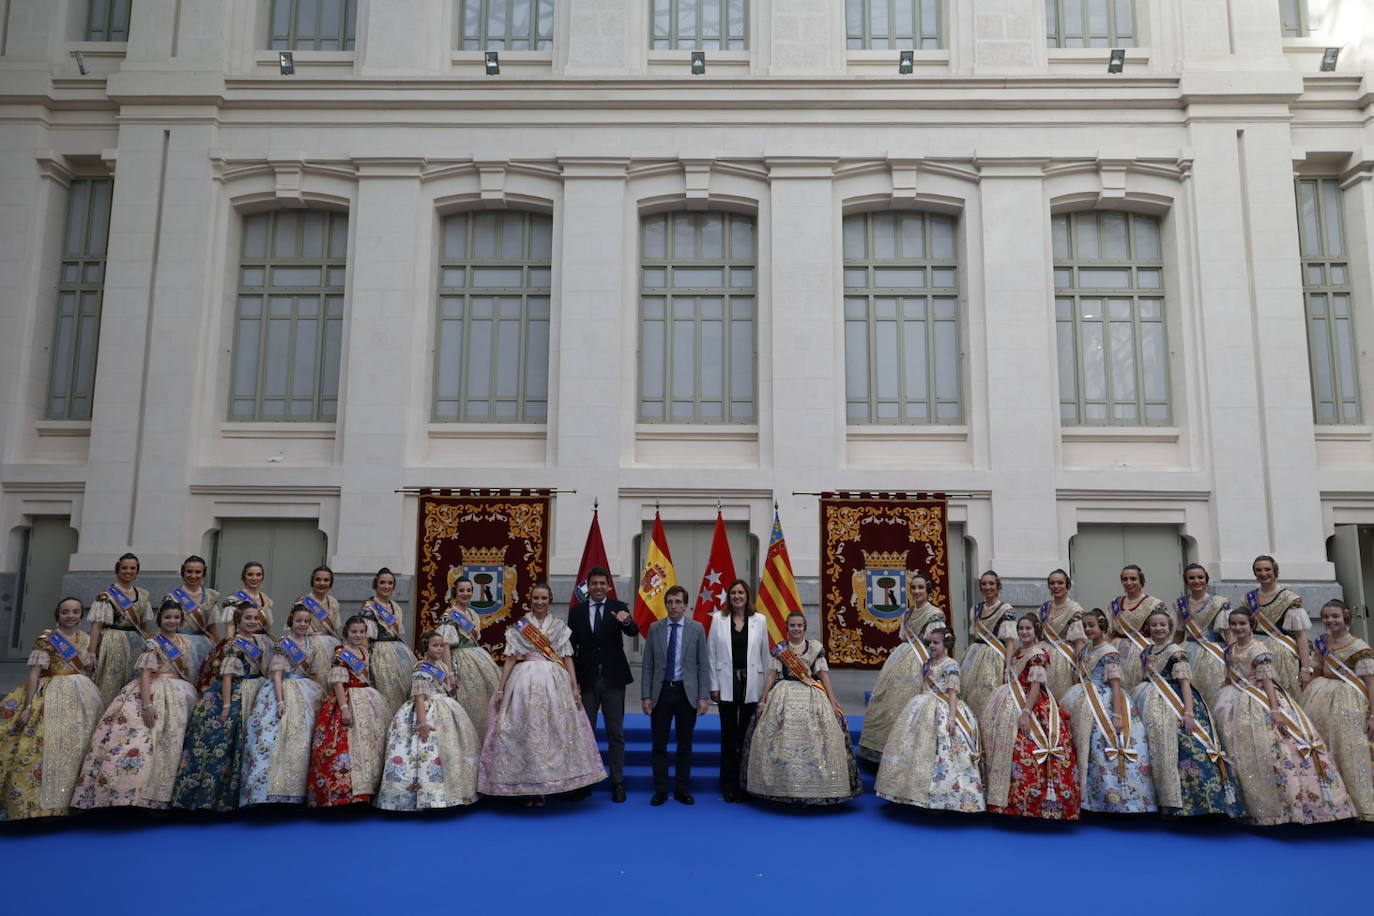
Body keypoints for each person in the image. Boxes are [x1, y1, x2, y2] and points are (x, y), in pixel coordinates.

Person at [1213, 608, 1353, 825]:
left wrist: (1275, 710)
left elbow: (1268, 681)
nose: (1238, 628)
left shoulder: (1258, 648)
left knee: (1275, 750)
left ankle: (1287, 809)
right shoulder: (1229, 649)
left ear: (1251, 626)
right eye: (1234, 624)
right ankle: (1246, 805)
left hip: (1259, 701)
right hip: (1232, 703)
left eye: (1243, 623)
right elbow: (1228, 677)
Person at [478, 584, 606, 805]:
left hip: (555, 682)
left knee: (554, 733)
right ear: (530, 600)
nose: (540, 602)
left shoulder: (559, 626)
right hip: (523, 683)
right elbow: (510, 659)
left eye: (544, 598)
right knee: (525, 734)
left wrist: (574, 687)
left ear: (550, 600)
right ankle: (527, 789)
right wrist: (501, 687)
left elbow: (567, 658)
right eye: (536, 597)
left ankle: (548, 787)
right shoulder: (520, 627)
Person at [73, 599, 198, 810]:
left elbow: (188, 669)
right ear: (160, 619)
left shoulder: (185, 642)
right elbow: (146, 674)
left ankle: (166, 794)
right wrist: (147, 706)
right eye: (168, 617)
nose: (172, 621)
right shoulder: (153, 642)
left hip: (181, 693)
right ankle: (131, 795)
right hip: (153, 691)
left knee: (173, 743)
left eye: (176, 617)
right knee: (141, 740)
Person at [741, 611, 860, 805]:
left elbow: (823, 675)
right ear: (787, 628)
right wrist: (762, 701)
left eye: (799, 625)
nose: (795, 629)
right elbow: (772, 675)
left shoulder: (815, 649)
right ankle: (782, 787)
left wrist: (832, 700)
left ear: (805, 628)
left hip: (812, 695)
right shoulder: (780, 649)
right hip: (783, 694)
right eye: (792, 625)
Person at [1131, 609, 1242, 818]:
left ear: (1170, 628)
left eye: (1162, 625)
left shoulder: (1176, 652)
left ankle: (1194, 804)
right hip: (1148, 701)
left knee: (1185, 746)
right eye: (1154, 625)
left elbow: (1185, 684)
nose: (1158, 629)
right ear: (1148, 628)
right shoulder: (1146, 651)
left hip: (1175, 703)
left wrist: (1188, 713)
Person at [0, 597, 103, 820]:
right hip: (52, 692)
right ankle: (44, 805)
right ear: (58, 614)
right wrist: (28, 706)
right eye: (66, 612)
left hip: (81, 694)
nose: (71, 616)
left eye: (75, 612)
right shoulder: (46, 640)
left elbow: (85, 669)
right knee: (48, 743)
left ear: (81, 615)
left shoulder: (85, 639)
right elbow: (35, 673)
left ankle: (75, 800)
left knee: (79, 744)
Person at [172, 603, 274, 811]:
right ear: (238, 621)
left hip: (256, 688)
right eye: (248, 618)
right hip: (237, 692)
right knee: (227, 742)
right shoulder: (232, 646)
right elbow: (227, 677)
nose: (253, 622)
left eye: (256, 618)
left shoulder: (257, 641)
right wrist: (227, 705)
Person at [981, 614, 1081, 820]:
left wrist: (1026, 712)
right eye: (1021, 629)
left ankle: (1039, 803)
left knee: (1029, 747)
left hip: (1033, 706)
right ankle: (1011, 802)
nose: (1024, 632)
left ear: (1036, 631)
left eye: (1028, 628)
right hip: (1012, 701)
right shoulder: (1019, 652)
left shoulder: (1037, 654)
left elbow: (1035, 685)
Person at [876, 628, 984, 813]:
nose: (932, 646)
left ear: (946, 645)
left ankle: (942, 796)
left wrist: (951, 718)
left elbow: (952, 694)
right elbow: (922, 686)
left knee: (944, 752)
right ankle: (909, 792)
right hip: (922, 706)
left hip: (943, 710)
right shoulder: (927, 663)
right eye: (930, 643)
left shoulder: (951, 665)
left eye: (936, 643)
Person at [1061, 608, 1155, 814]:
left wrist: (1118, 714)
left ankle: (1118, 800)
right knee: (1085, 746)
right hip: (1083, 699)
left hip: (1104, 702)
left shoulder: (1109, 651)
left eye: (1092, 625)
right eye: (1085, 626)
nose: (1088, 629)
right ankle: (1088, 798)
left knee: (1103, 745)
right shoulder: (1085, 650)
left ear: (1102, 626)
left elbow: (1115, 684)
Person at [375, 632, 480, 811]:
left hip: (446, 708)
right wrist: (422, 724)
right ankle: (424, 796)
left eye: (441, 645)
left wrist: (452, 684)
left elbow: (447, 690)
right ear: (426, 647)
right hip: (427, 711)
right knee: (424, 751)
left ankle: (452, 794)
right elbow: (420, 698)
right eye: (435, 645)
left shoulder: (442, 666)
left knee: (451, 750)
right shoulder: (421, 669)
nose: (439, 649)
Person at [240, 604, 326, 806]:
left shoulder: (313, 645)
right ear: (291, 622)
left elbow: (314, 673)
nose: (302, 624)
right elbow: (276, 674)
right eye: (298, 621)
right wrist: (280, 700)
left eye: (306, 621)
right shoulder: (283, 643)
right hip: (283, 690)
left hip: (307, 692)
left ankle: (295, 792)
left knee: (302, 742)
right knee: (272, 739)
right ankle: (267, 792)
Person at [857, 572, 946, 761]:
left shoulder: (935, 614)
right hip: (900, 661)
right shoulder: (907, 612)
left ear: (928, 589)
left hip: (921, 664)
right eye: (913, 588)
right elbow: (903, 637)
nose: (916, 591)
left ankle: (906, 755)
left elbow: (936, 646)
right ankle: (879, 751)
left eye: (920, 587)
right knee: (887, 700)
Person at [567, 566, 637, 802]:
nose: (598, 587)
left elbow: (633, 631)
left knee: (615, 732)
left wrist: (626, 622)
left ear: (608, 586)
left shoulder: (618, 607)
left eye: (602, 583)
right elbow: (570, 647)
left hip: (613, 679)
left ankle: (617, 781)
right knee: (586, 732)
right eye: (594, 583)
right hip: (586, 680)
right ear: (588, 586)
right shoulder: (576, 611)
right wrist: (572, 680)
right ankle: (585, 780)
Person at [1301, 599, 1374, 821]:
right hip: (1320, 699)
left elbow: (1371, 683)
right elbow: (1318, 669)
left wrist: (1372, 715)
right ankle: (1329, 804)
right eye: (1326, 617)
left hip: (1348, 702)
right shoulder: (1321, 641)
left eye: (1335, 616)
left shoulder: (1359, 648)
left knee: (1348, 748)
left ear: (1345, 618)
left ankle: (1357, 804)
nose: (1330, 621)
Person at [307, 615, 389, 807]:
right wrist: (344, 708)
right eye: (354, 632)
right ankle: (342, 795)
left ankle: (364, 793)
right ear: (346, 633)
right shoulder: (341, 654)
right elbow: (337, 683)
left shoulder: (364, 651)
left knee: (369, 746)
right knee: (344, 746)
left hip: (367, 699)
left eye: (361, 631)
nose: (358, 635)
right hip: (346, 701)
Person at [641, 586, 711, 805]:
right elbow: (648, 665)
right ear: (666, 604)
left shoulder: (697, 629)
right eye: (670, 602)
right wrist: (645, 696)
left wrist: (702, 696)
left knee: (684, 744)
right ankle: (661, 789)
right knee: (659, 743)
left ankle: (682, 788)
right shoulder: (655, 628)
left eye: (678, 602)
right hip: (661, 692)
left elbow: (702, 665)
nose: (673, 606)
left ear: (685, 604)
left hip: (686, 693)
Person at [707, 578, 770, 802]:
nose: (737, 596)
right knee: (728, 737)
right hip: (726, 685)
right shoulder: (718, 619)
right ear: (728, 597)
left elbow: (765, 655)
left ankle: (745, 784)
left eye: (741, 593)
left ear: (747, 595)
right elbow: (711, 654)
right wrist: (713, 685)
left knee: (745, 737)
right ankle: (728, 784)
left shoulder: (760, 620)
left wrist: (765, 691)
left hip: (751, 685)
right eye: (733, 593)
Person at [436, 574, 500, 736]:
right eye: (461, 591)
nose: (466, 593)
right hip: (459, 661)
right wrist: (449, 673)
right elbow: (445, 646)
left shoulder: (472, 613)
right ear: (454, 593)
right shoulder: (449, 614)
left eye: (469, 590)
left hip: (477, 658)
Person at [87, 552, 153, 706]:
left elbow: (144, 627)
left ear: (137, 571)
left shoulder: (143, 595)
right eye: (124, 568)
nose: (128, 571)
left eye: (132, 568)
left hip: (136, 645)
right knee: (111, 682)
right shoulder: (107, 595)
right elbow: (96, 626)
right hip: (112, 643)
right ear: (117, 569)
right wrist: (91, 653)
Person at [1245, 555, 1311, 696]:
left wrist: (1306, 668)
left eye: (1267, 569)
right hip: (1255, 652)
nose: (1263, 573)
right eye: (1259, 570)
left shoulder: (1289, 599)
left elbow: (1301, 636)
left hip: (1281, 655)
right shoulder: (1248, 599)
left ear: (1275, 570)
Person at [360, 567, 417, 720]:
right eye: (382, 582)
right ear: (376, 584)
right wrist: (365, 662)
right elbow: (364, 637)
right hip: (379, 652)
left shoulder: (396, 607)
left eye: (390, 583)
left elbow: (398, 632)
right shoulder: (369, 607)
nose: (386, 586)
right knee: (386, 692)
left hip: (398, 650)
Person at [959, 570, 1017, 718]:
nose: (987, 587)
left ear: (998, 586)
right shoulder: (976, 609)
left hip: (994, 659)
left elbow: (1010, 642)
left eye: (991, 583)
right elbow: (974, 637)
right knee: (968, 693)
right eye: (984, 584)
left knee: (989, 697)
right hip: (974, 656)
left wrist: (1008, 668)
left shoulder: (1006, 610)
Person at [1175, 563, 1231, 706]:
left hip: (1213, 655)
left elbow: (1228, 633)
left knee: (1214, 694)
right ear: (1186, 581)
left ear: (1206, 579)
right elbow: (1179, 632)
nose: (1196, 581)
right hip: (1188, 652)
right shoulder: (1180, 604)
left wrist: (1233, 657)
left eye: (1200, 577)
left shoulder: (1219, 603)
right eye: (1191, 578)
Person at [1108, 565, 1171, 690]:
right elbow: (1111, 633)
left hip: (1144, 652)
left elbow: (1163, 634)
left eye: (1133, 579)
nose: (1129, 583)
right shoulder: (1114, 604)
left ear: (1141, 580)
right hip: (1117, 651)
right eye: (1125, 579)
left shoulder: (1154, 604)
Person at [169, 554, 220, 681]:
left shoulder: (210, 596)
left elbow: (212, 627)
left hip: (204, 645)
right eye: (189, 571)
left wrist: (219, 647)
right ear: (183, 571)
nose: (193, 576)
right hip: (179, 646)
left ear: (204, 573)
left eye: (198, 572)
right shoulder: (173, 597)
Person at [1039, 569, 1086, 699]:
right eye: (1052, 583)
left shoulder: (1075, 610)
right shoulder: (1044, 609)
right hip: (1043, 658)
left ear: (1068, 586)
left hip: (1064, 661)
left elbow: (1079, 642)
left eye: (1060, 583)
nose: (1056, 586)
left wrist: (1079, 667)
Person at [220, 560, 274, 635]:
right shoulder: (234, 599)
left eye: (258, 575)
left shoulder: (265, 599)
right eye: (250, 574)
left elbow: (268, 627)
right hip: (242, 642)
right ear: (244, 576)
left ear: (262, 577)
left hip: (264, 643)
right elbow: (230, 628)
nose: (254, 578)